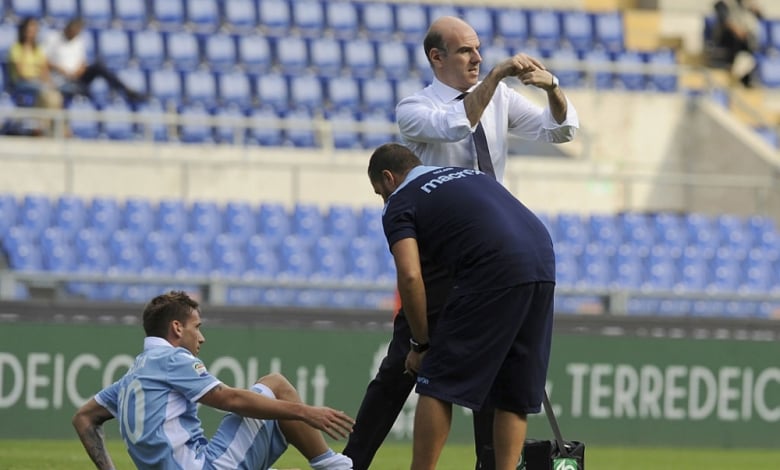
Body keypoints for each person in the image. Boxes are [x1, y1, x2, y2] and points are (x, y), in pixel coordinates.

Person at [343, 15, 577, 470]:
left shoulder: (501, 98)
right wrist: (495, 78)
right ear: (437, 57)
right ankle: (352, 462)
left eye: (478, 49)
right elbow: (456, 126)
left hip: (488, 249)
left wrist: (552, 88)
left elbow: (561, 130)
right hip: (439, 254)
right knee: (403, 364)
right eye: (466, 50)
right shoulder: (414, 108)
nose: (477, 57)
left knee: (494, 375)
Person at [367, 143, 556, 470]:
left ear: (388, 177)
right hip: (542, 261)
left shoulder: (401, 200)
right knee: (512, 394)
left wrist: (421, 344)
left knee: (437, 382)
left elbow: (411, 276)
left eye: (379, 192)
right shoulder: (468, 174)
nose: (383, 199)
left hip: (491, 268)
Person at [72, 291, 355, 470]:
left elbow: (83, 418)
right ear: (177, 327)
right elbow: (229, 399)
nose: (202, 337)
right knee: (276, 384)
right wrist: (306, 412)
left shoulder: (131, 377)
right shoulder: (172, 359)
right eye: (197, 328)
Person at [45, 17, 147, 102]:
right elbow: (43, 60)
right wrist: (60, 69)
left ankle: (125, 91)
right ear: (68, 28)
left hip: (76, 77)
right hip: (59, 79)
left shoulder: (78, 40)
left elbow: (82, 61)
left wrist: (79, 70)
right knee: (83, 95)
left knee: (98, 67)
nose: (75, 33)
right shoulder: (52, 38)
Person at [6, 16, 63, 135]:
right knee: (47, 93)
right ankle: (44, 129)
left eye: (34, 30)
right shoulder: (16, 48)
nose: (32, 33)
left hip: (37, 83)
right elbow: (22, 73)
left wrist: (46, 81)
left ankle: (45, 127)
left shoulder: (38, 49)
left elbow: (44, 71)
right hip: (21, 83)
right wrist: (38, 76)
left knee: (54, 95)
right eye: (29, 30)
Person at [712, 0, 763, 87]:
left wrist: (754, 6)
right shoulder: (722, 5)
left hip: (743, 41)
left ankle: (743, 79)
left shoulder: (742, 4)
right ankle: (738, 77)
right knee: (743, 46)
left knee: (748, 51)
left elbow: (759, 16)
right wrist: (738, 31)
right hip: (728, 39)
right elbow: (726, 22)